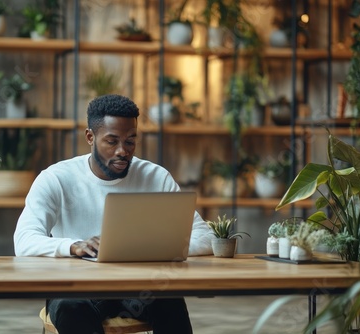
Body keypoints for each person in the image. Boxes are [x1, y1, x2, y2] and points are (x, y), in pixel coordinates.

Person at [14, 94, 213, 334]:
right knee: (71, 308)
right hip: (76, 290)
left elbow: (205, 237)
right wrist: (73, 246)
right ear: (90, 137)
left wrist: (148, 247)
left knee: (169, 300)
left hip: (138, 289)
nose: (123, 151)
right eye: (112, 141)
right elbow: (23, 240)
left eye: (130, 141)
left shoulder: (156, 177)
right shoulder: (56, 178)